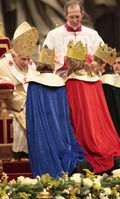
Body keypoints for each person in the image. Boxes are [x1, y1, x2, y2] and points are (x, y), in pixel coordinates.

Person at [0, 21, 39, 159]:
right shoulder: (0, 66)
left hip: (29, 105)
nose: (26, 63)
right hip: (7, 106)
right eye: (23, 59)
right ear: (13, 54)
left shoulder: (31, 65)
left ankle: (38, 157)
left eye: (28, 59)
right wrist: (21, 103)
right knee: (21, 120)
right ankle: (17, 155)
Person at [65, 40, 120, 174]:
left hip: (83, 125)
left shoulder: (71, 81)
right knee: (104, 144)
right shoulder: (95, 79)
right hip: (100, 126)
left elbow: (71, 109)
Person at [26, 45, 87, 178]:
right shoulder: (60, 82)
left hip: (43, 125)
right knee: (62, 145)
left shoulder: (34, 83)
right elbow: (65, 110)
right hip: (60, 126)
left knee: (45, 147)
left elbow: (32, 113)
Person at [43, 0, 103, 75]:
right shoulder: (53, 34)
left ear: (82, 14)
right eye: (71, 17)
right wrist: (63, 60)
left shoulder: (92, 34)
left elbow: (102, 56)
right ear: (65, 15)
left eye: (77, 17)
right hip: (63, 77)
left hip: (88, 76)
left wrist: (93, 61)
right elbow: (46, 58)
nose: (74, 20)